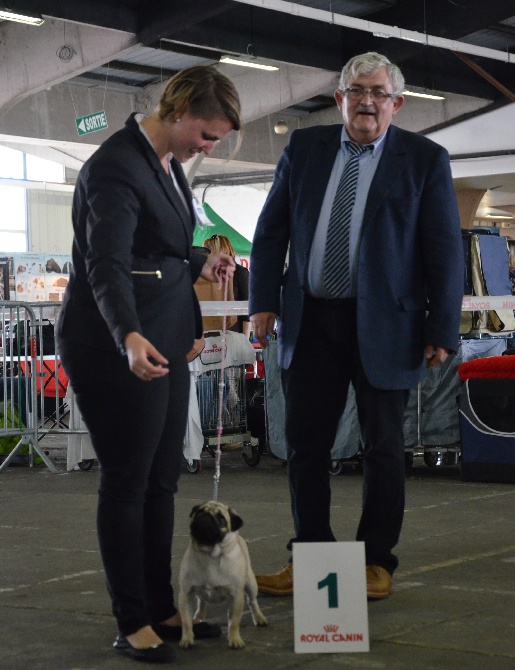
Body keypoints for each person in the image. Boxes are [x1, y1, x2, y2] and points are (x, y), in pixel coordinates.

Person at [249, 52, 463, 601]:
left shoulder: (426, 159)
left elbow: (443, 252)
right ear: (339, 98)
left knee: (384, 449)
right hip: (312, 319)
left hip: (388, 327)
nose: (366, 101)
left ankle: (376, 563)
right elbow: (271, 231)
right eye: (356, 90)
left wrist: (443, 327)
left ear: (397, 103)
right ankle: (312, 558)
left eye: (378, 91)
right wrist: (262, 302)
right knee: (305, 447)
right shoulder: (304, 148)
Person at [56, 65, 241, 663]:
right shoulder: (114, 166)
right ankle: (130, 619)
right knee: (128, 483)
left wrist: (198, 261)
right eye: (207, 135)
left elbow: (153, 243)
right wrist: (128, 335)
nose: (208, 148)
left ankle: (162, 608)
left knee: (162, 482)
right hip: (117, 344)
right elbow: (105, 264)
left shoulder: (165, 165)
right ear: (180, 107)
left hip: (163, 337)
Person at [202, 234, 251, 337]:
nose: (207, 255)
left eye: (209, 251)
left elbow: (247, 312)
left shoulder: (241, 273)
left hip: (234, 336)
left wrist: (245, 341)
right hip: (210, 335)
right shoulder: (207, 274)